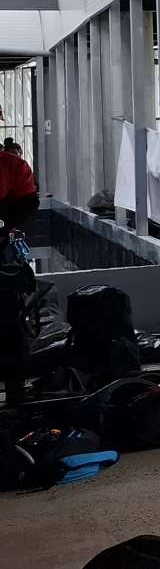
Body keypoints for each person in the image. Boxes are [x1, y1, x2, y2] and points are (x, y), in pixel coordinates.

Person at [0, 144, 38, 405]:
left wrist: (4, 225)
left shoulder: (11, 166)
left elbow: (28, 202)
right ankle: (15, 396)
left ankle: (15, 396)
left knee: (10, 328)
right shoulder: (12, 166)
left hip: (3, 270)